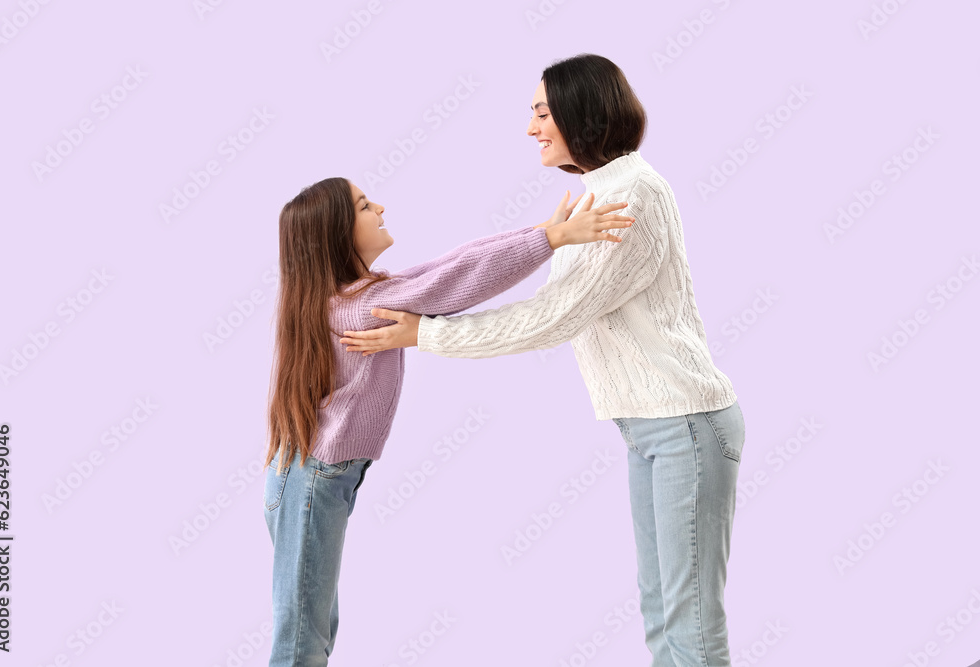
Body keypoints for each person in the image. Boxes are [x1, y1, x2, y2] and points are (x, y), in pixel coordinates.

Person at [338, 53, 746, 667]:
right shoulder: (597, 195)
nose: (530, 128)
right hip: (654, 428)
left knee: (689, 625)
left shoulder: (627, 198)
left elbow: (554, 315)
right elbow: (529, 283)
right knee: (663, 613)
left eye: (541, 112)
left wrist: (427, 335)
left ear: (583, 113)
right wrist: (538, 241)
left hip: (685, 423)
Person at [261, 175, 634, 667]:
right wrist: (551, 239)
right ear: (337, 233)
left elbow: (451, 263)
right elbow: (457, 280)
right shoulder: (362, 308)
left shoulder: (357, 295)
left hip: (313, 479)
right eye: (365, 205)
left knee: (313, 629)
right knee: (301, 644)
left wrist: (542, 231)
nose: (381, 206)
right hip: (312, 484)